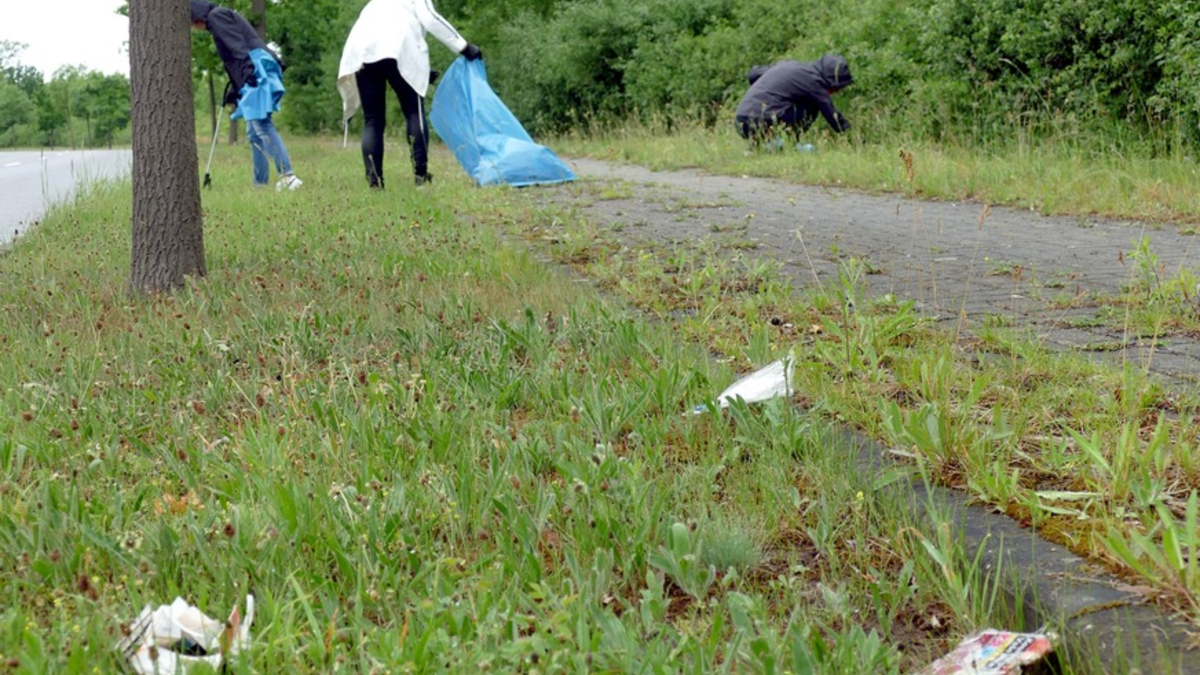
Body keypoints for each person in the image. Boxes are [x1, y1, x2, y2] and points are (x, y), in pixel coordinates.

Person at [337, 0, 483, 189]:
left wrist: (421, 71)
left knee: (372, 119)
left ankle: (375, 182)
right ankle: (420, 177)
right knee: (414, 112)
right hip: (398, 46)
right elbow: (430, 19)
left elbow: (382, 36)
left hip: (362, 50)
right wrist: (463, 47)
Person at [190, 0, 302, 191]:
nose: (193, 28)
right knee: (253, 132)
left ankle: (288, 176)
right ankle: (260, 184)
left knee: (262, 124)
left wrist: (248, 73)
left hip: (255, 69)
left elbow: (238, 47)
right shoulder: (220, 16)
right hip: (254, 69)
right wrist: (236, 88)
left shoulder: (216, 17)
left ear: (196, 17)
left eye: (191, 22)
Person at [734, 55, 853, 148]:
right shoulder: (813, 80)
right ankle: (789, 144)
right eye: (836, 88)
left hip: (741, 121)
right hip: (763, 121)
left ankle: (758, 145)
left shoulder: (787, 65)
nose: (836, 93)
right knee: (812, 106)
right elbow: (831, 114)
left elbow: (753, 73)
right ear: (828, 79)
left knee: (798, 103)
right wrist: (851, 136)